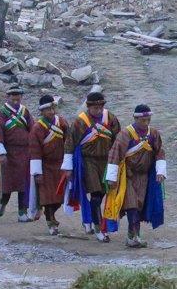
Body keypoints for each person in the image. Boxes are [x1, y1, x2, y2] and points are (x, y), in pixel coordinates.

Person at [104, 104, 167, 248]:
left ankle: (131, 236)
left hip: (145, 177)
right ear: (135, 118)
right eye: (143, 120)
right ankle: (134, 237)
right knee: (131, 206)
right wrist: (111, 178)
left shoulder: (154, 134)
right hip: (128, 177)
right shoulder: (125, 134)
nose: (146, 123)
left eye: (148, 120)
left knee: (139, 207)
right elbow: (114, 155)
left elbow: (159, 152)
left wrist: (160, 171)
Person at [62, 92, 121, 242]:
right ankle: (98, 228)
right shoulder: (80, 122)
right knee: (95, 194)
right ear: (89, 107)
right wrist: (68, 167)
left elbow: (118, 139)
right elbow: (69, 143)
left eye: (100, 106)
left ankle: (88, 218)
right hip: (88, 162)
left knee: (102, 193)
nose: (98, 110)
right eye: (95, 107)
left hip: (106, 161)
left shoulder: (111, 118)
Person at [0, 85, 34, 221]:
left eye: (18, 98)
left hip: (25, 153)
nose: (16, 101)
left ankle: (22, 213)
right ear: (8, 97)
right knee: (7, 184)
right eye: (13, 98)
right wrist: (1, 153)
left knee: (24, 184)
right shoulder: (1, 113)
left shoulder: (24, 111)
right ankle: (3, 203)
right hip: (8, 154)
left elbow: (32, 128)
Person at [29, 95, 69, 235]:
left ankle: (50, 215)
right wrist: (37, 172)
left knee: (60, 196)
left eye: (52, 108)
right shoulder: (37, 128)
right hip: (45, 166)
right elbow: (35, 150)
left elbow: (68, 142)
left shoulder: (62, 122)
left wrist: (69, 162)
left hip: (60, 165)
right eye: (47, 110)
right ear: (42, 112)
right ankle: (51, 221)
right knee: (48, 197)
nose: (51, 112)